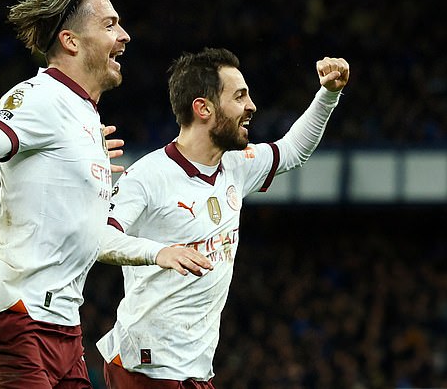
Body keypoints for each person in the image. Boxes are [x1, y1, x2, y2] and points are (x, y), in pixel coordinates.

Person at [0, 0, 211, 389]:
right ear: (71, 41)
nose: (125, 35)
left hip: (64, 330)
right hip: (14, 320)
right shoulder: (40, 96)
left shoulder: (85, 119)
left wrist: (158, 252)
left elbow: (92, 237)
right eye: (110, 25)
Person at [96, 47, 349, 388]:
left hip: (195, 368)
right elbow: (100, 240)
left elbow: (292, 151)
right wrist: (159, 252)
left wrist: (328, 94)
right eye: (239, 96)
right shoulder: (147, 177)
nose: (251, 106)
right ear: (203, 108)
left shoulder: (235, 165)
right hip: (146, 368)